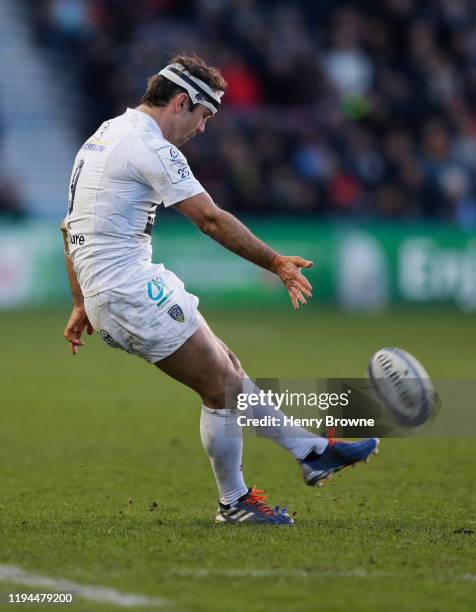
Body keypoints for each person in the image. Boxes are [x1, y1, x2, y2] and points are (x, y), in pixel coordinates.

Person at [61, 53, 378, 526]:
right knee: (222, 389)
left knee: (227, 369)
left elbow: (68, 228)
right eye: (204, 115)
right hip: (127, 291)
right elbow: (209, 218)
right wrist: (275, 263)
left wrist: (81, 300)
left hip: (118, 288)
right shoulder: (151, 146)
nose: (203, 128)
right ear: (182, 101)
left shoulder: (102, 135)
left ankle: (311, 452)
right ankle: (237, 501)